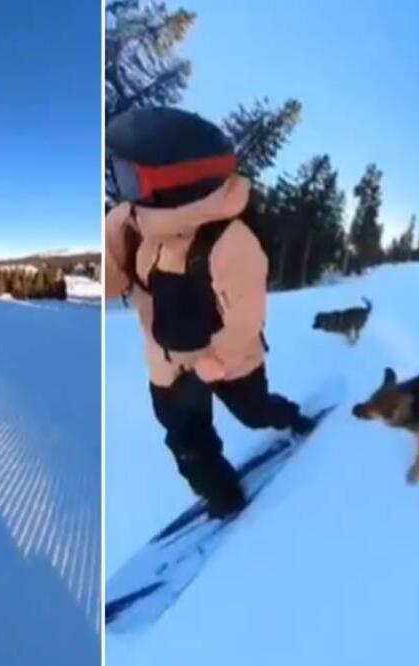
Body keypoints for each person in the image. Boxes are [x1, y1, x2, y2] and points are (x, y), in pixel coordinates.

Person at [104, 106, 315, 519]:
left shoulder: (233, 244)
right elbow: (112, 283)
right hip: (166, 365)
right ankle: (223, 498)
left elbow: (246, 320)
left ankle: (288, 416)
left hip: (229, 360)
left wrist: (211, 364)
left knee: (253, 413)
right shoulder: (129, 225)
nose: (117, 184)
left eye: (128, 176)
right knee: (187, 443)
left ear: (174, 184)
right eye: (115, 171)